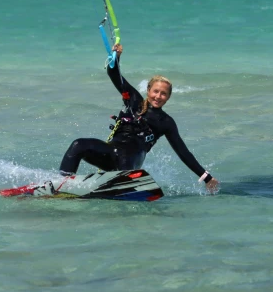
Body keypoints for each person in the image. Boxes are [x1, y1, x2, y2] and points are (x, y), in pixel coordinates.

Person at [56, 42, 219, 193]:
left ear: (168, 97)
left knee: (127, 155)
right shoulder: (134, 100)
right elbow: (113, 73)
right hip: (111, 154)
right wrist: (116, 57)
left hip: (130, 162)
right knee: (79, 144)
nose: (158, 96)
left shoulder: (166, 122)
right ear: (148, 90)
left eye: (164, 94)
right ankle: (60, 185)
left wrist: (206, 177)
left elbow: (183, 152)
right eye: (156, 91)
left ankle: (122, 184)